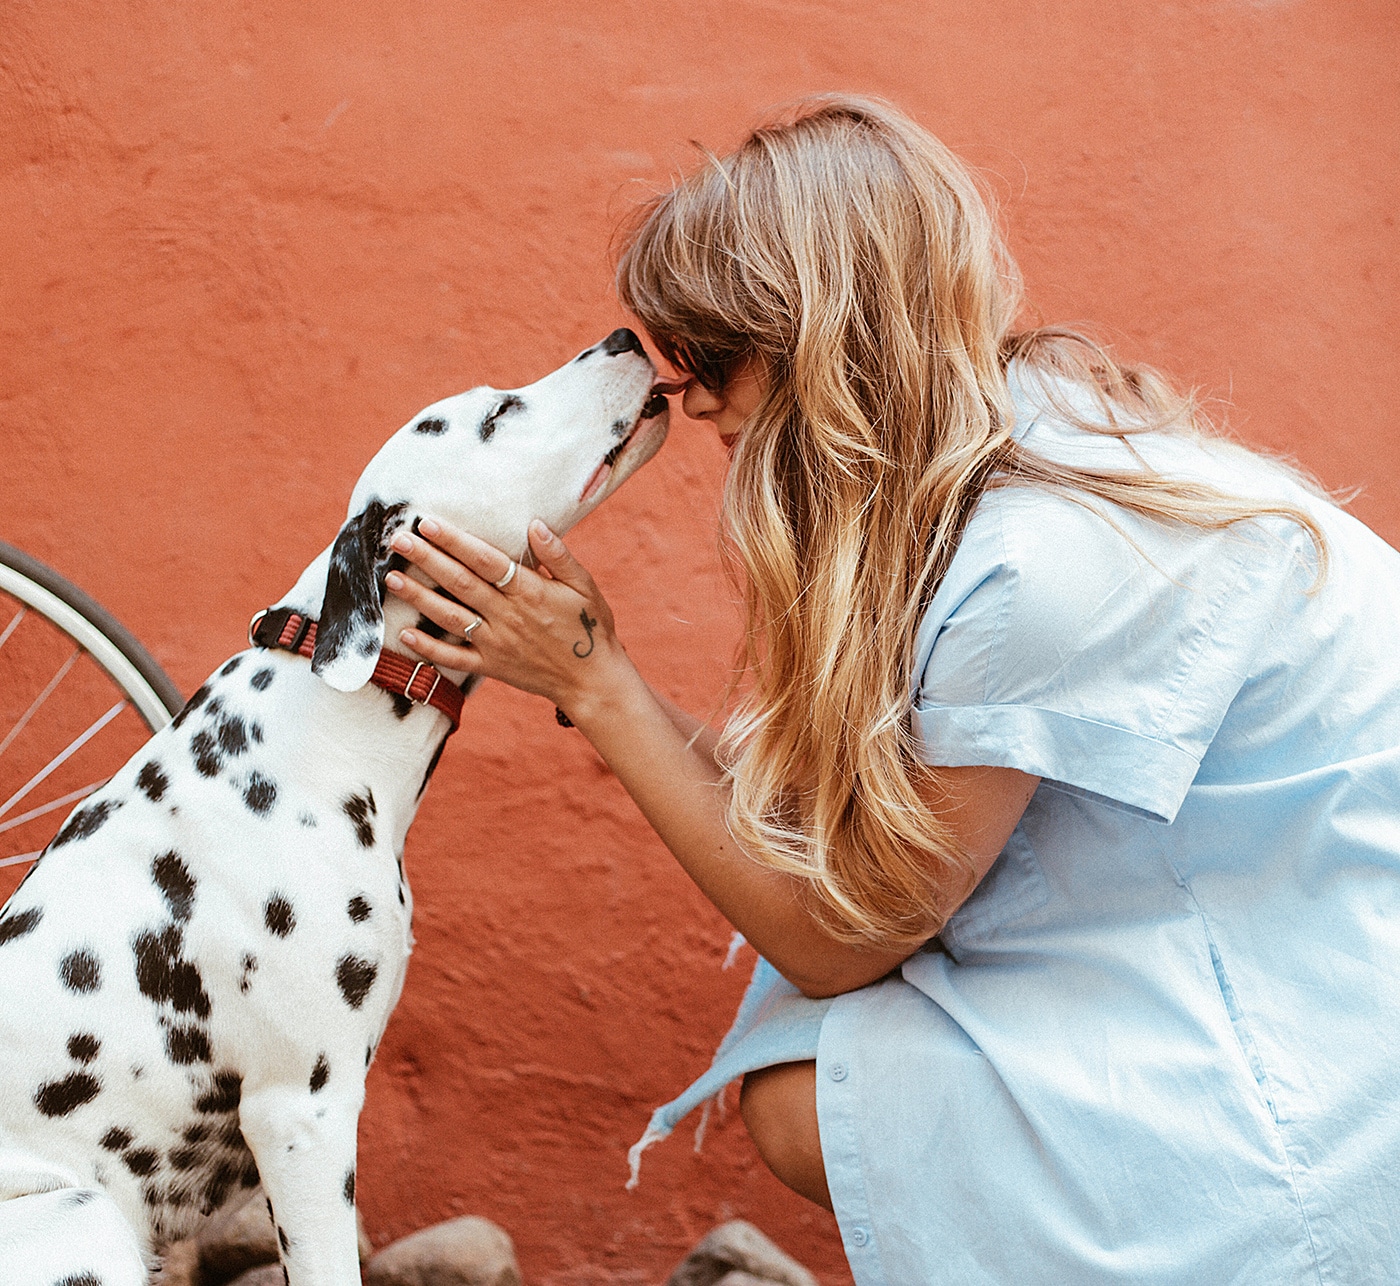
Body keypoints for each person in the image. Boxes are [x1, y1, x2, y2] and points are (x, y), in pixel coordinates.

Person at [383, 96, 1400, 1284]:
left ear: (822, 335)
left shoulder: (1039, 563)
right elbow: (840, 846)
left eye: (709, 354)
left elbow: (834, 935)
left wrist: (597, 685)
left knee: (813, 1090)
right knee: (820, 1062)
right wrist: (595, 672)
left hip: (1320, 1031)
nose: (688, 398)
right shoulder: (1012, 450)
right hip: (1250, 935)